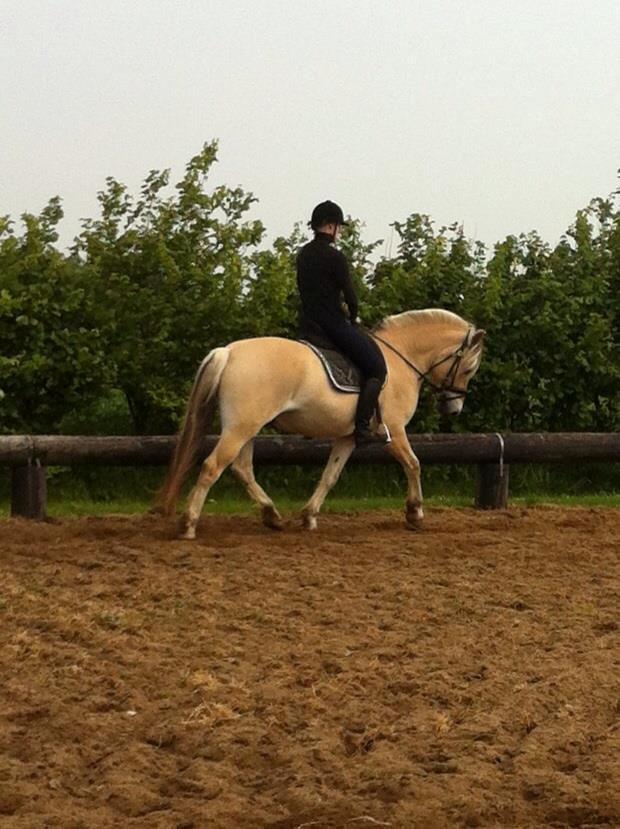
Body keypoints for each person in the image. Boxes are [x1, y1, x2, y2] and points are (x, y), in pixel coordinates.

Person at [296, 200, 387, 446]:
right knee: (377, 368)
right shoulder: (335, 257)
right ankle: (362, 429)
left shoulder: (303, 254)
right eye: (339, 227)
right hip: (332, 326)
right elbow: (350, 295)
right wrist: (353, 316)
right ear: (330, 226)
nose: (340, 232)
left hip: (307, 326)